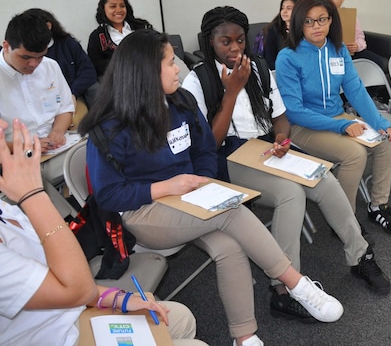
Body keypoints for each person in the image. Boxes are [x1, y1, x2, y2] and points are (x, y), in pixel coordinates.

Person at [78, 29, 343, 346]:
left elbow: (204, 151)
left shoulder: (181, 102)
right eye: (169, 62)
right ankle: (296, 284)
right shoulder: (109, 125)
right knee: (230, 212)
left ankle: (244, 337)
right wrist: (167, 187)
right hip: (142, 212)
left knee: (228, 247)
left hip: (190, 200)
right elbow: (108, 194)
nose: (178, 68)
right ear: (146, 72)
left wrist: (201, 182)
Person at [181, 6, 391, 317]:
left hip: (267, 147)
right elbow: (208, 144)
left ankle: (360, 255)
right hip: (228, 156)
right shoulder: (197, 81)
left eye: (240, 40)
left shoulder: (259, 69)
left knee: (324, 178)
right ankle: (284, 288)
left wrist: (282, 138)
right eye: (226, 42)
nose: (235, 47)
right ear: (209, 41)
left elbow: (280, 118)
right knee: (291, 194)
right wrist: (231, 93)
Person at [0, 117, 208, 346]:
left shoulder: (5, 209)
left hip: (70, 318)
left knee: (181, 319)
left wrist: (118, 299)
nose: (3, 125)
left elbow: (57, 281)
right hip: (56, 336)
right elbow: (78, 290)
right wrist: (32, 194)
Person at [275, 0, 391, 236]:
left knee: (384, 140)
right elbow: (294, 111)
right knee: (354, 154)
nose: (316, 26)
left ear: (331, 21)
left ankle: (378, 206)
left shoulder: (339, 50)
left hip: (337, 117)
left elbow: (355, 90)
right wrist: (342, 127)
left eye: (321, 19)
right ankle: (345, 221)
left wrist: (379, 122)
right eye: (308, 21)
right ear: (298, 25)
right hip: (303, 128)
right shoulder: (288, 57)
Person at [0, 11, 74, 193]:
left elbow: (65, 108)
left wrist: (57, 132)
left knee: (98, 153)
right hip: (15, 156)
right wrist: (28, 146)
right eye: (25, 57)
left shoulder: (50, 66)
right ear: (6, 46)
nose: (34, 64)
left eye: (40, 56)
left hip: (54, 150)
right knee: (37, 181)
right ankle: (61, 219)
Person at [25, 8, 98, 108]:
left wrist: (73, 93)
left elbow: (88, 71)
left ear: (48, 26)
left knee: (96, 91)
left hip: (75, 92)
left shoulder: (67, 43)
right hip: (45, 99)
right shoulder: (26, 52)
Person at [325, 0, 388, 72]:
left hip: (352, 52)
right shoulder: (321, 16)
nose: (330, 0)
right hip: (333, 55)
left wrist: (357, 46)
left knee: (382, 63)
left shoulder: (349, 15)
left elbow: (360, 37)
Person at [87, 0, 153, 77]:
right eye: (113, 6)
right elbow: (95, 64)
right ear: (103, 9)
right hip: (118, 80)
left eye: (122, 6)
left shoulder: (141, 27)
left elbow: (156, 47)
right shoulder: (97, 36)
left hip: (148, 74)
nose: (119, 10)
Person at [262, 0, 297, 70]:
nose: (284, 11)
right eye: (282, 8)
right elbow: (269, 59)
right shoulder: (272, 30)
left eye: (289, 8)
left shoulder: (303, 29)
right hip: (279, 70)